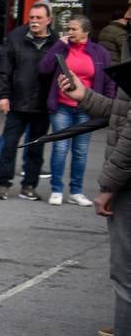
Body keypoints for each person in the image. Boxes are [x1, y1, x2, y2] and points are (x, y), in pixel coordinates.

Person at [58, 65, 131, 336]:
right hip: (124, 182)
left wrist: (108, 185)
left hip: (126, 184)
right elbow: (121, 113)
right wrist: (84, 96)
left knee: (126, 273)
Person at [39, 15, 117, 206]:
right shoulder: (63, 49)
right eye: (69, 28)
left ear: (86, 31)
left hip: (86, 108)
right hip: (62, 105)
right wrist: (58, 46)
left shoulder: (100, 53)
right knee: (60, 147)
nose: (69, 32)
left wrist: (107, 105)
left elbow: (108, 82)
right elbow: (44, 68)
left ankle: (76, 191)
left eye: (74, 29)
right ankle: (56, 189)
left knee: (81, 151)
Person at [0, 0, 55, 200]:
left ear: (49, 20)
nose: (34, 21)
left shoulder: (56, 44)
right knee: (9, 145)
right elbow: (4, 70)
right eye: (32, 18)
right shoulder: (16, 37)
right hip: (17, 103)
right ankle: (3, 184)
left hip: (42, 104)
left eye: (39, 18)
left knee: (36, 149)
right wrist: (3, 96)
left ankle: (29, 185)